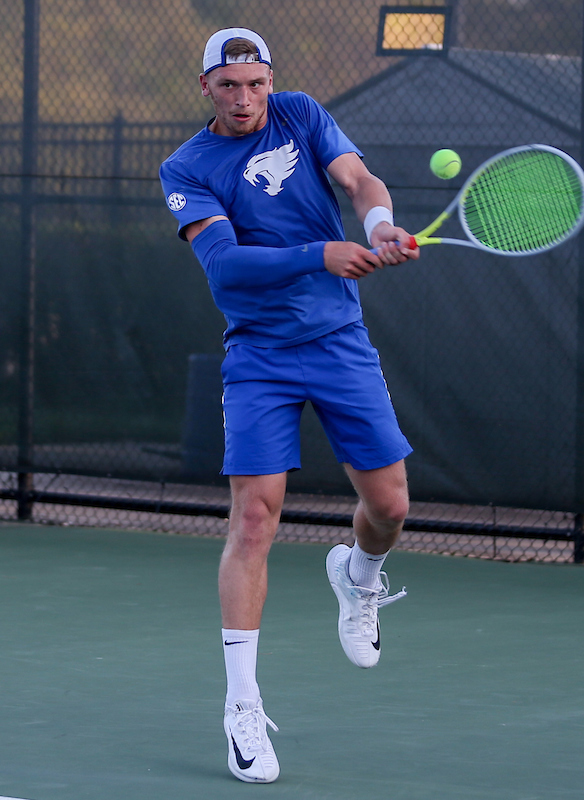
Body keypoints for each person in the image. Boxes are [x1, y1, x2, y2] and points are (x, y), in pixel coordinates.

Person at [159, 27, 419, 784]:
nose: (245, 99)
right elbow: (227, 267)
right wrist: (320, 253)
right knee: (253, 518)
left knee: (392, 506)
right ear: (205, 85)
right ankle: (242, 707)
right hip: (260, 358)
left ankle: (358, 575)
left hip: (340, 341)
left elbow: (360, 182)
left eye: (256, 84)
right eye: (230, 85)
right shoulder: (187, 166)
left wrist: (377, 226)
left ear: (271, 82)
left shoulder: (302, 115)